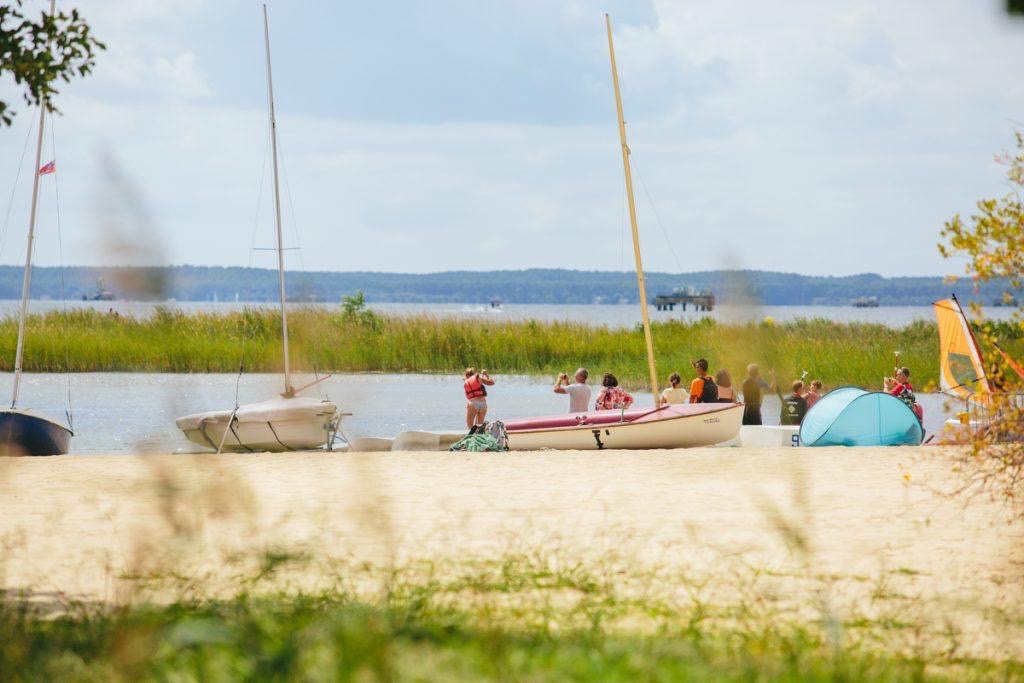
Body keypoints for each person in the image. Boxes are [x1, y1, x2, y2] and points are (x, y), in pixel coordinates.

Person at [463, 367, 495, 433]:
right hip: (483, 404)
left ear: (466, 375)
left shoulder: (466, 381)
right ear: (474, 373)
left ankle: (471, 440)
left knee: (470, 428)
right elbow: (492, 383)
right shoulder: (478, 378)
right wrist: (486, 375)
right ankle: (479, 440)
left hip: (473, 404)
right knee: (479, 428)